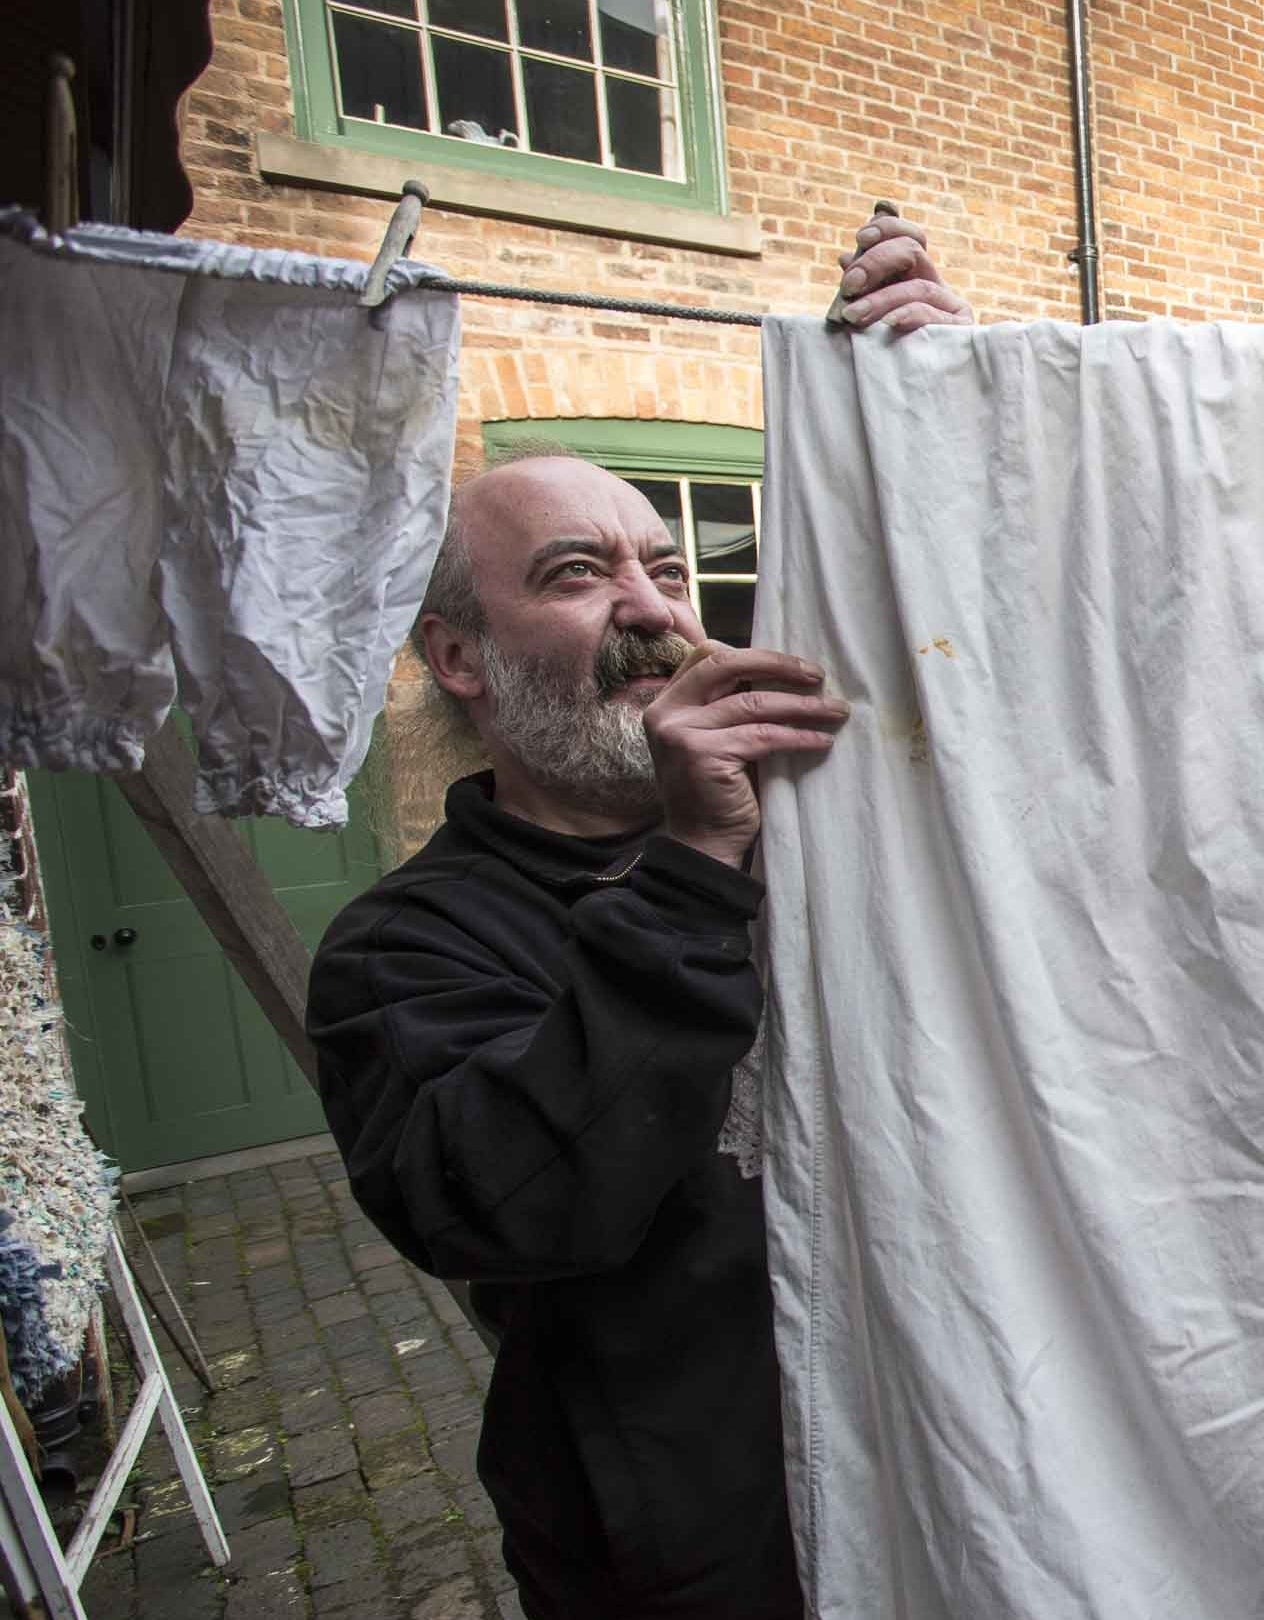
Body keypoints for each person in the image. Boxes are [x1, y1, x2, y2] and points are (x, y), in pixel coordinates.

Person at [304, 215, 972, 1620]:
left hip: (951, 1476)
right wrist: (692, 859)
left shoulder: (838, 831)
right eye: (572, 575)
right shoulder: (402, 950)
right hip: (701, 1562)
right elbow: (512, 1201)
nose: (651, 613)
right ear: (458, 661)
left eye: (666, 568)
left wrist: (953, 422)